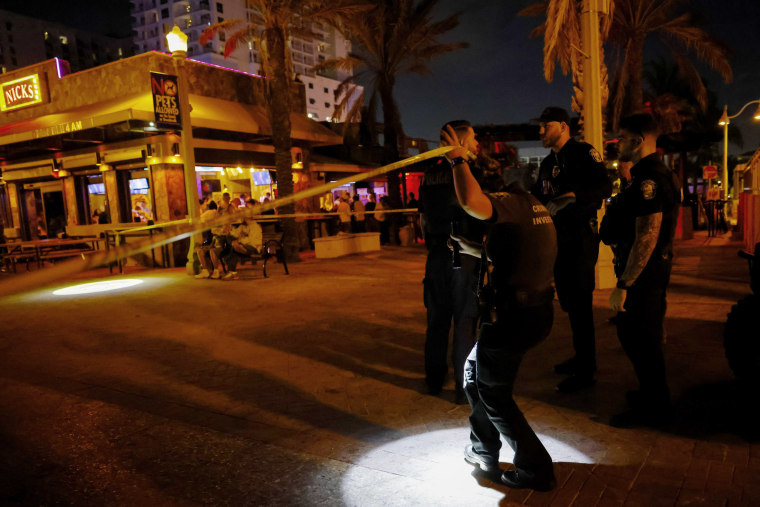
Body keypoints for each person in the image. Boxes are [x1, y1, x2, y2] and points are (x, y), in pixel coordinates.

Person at [442, 124, 557, 491]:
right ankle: (483, 450)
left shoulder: (512, 203)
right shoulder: (534, 207)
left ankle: (536, 468)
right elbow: (515, 252)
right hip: (532, 313)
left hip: (513, 317)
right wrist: (473, 248)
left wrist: (458, 159)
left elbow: (470, 202)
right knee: (474, 375)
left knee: (492, 391)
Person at [606, 113, 681, 428]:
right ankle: (651, 396)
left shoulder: (651, 181)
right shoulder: (643, 177)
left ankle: (656, 407)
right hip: (645, 276)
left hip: (642, 278)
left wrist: (625, 284)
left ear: (637, 141)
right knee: (639, 339)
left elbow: (647, 238)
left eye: (622, 138)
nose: (618, 143)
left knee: (642, 341)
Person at [531, 106, 612, 393]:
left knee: (580, 306)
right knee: (568, 301)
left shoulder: (583, 153)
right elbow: (538, 195)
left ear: (563, 126)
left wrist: (572, 197)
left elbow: (605, 185)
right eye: (540, 126)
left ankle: (586, 370)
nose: (540, 130)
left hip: (579, 239)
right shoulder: (547, 163)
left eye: (545, 125)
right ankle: (580, 358)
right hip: (557, 242)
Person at [418, 120, 485, 404]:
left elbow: (422, 218)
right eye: (473, 139)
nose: (477, 143)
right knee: (465, 322)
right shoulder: (471, 173)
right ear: (460, 142)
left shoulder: (428, 175)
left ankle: (434, 380)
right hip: (464, 256)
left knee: (436, 322)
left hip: (435, 256)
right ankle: (464, 387)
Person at [223, 216, 263, 280]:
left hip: (254, 247)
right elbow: (236, 234)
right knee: (231, 242)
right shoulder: (242, 226)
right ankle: (239, 248)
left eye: (244, 217)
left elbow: (251, 240)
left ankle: (232, 272)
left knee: (233, 250)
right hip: (242, 246)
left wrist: (239, 241)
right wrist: (230, 231)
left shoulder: (255, 226)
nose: (242, 219)